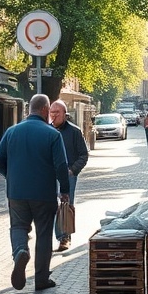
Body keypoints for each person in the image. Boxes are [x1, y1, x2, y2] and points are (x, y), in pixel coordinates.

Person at [0, 94, 70, 292]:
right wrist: (65, 190)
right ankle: (41, 278)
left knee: (18, 226)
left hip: (16, 192)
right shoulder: (52, 134)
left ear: (29, 110)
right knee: (44, 234)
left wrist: (10, 175)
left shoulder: (12, 131)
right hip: (43, 193)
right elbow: (61, 165)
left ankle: (20, 251)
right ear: (45, 110)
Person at [48, 100, 88, 252]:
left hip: (68, 174)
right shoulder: (47, 131)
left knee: (66, 206)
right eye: (52, 112)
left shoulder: (74, 132)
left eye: (57, 112)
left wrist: (73, 170)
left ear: (65, 114)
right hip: (50, 176)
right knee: (51, 206)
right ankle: (57, 237)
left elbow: (83, 155)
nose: (54, 115)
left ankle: (65, 238)